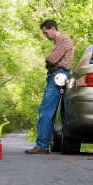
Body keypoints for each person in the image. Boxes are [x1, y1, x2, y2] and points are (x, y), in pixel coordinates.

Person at [25, 19, 74, 154]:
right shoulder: (59, 41)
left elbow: (51, 59)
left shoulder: (63, 39)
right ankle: (44, 144)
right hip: (58, 75)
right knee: (52, 112)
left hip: (58, 76)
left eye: (46, 33)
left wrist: (48, 61)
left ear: (53, 29)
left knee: (45, 111)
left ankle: (41, 146)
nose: (46, 36)